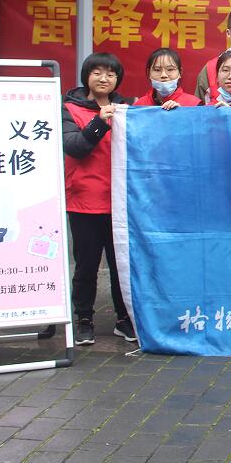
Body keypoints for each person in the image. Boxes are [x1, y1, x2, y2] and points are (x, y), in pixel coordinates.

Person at [62, 52, 134, 345]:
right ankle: (84, 319)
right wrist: (98, 122)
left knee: (121, 267)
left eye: (110, 74)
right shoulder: (69, 108)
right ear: (86, 76)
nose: (104, 79)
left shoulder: (127, 109)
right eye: (97, 72)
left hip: (120, 203)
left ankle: (124, 319)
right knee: (86, 265)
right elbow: (74, 147)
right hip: (84, 202)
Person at [133, 48, 202, 109]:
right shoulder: (139, 106)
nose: (163, 75)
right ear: (148, 73)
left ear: (180, 72)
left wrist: (181, 112)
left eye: (170, 69)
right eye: (157, 70)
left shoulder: (193, 104)